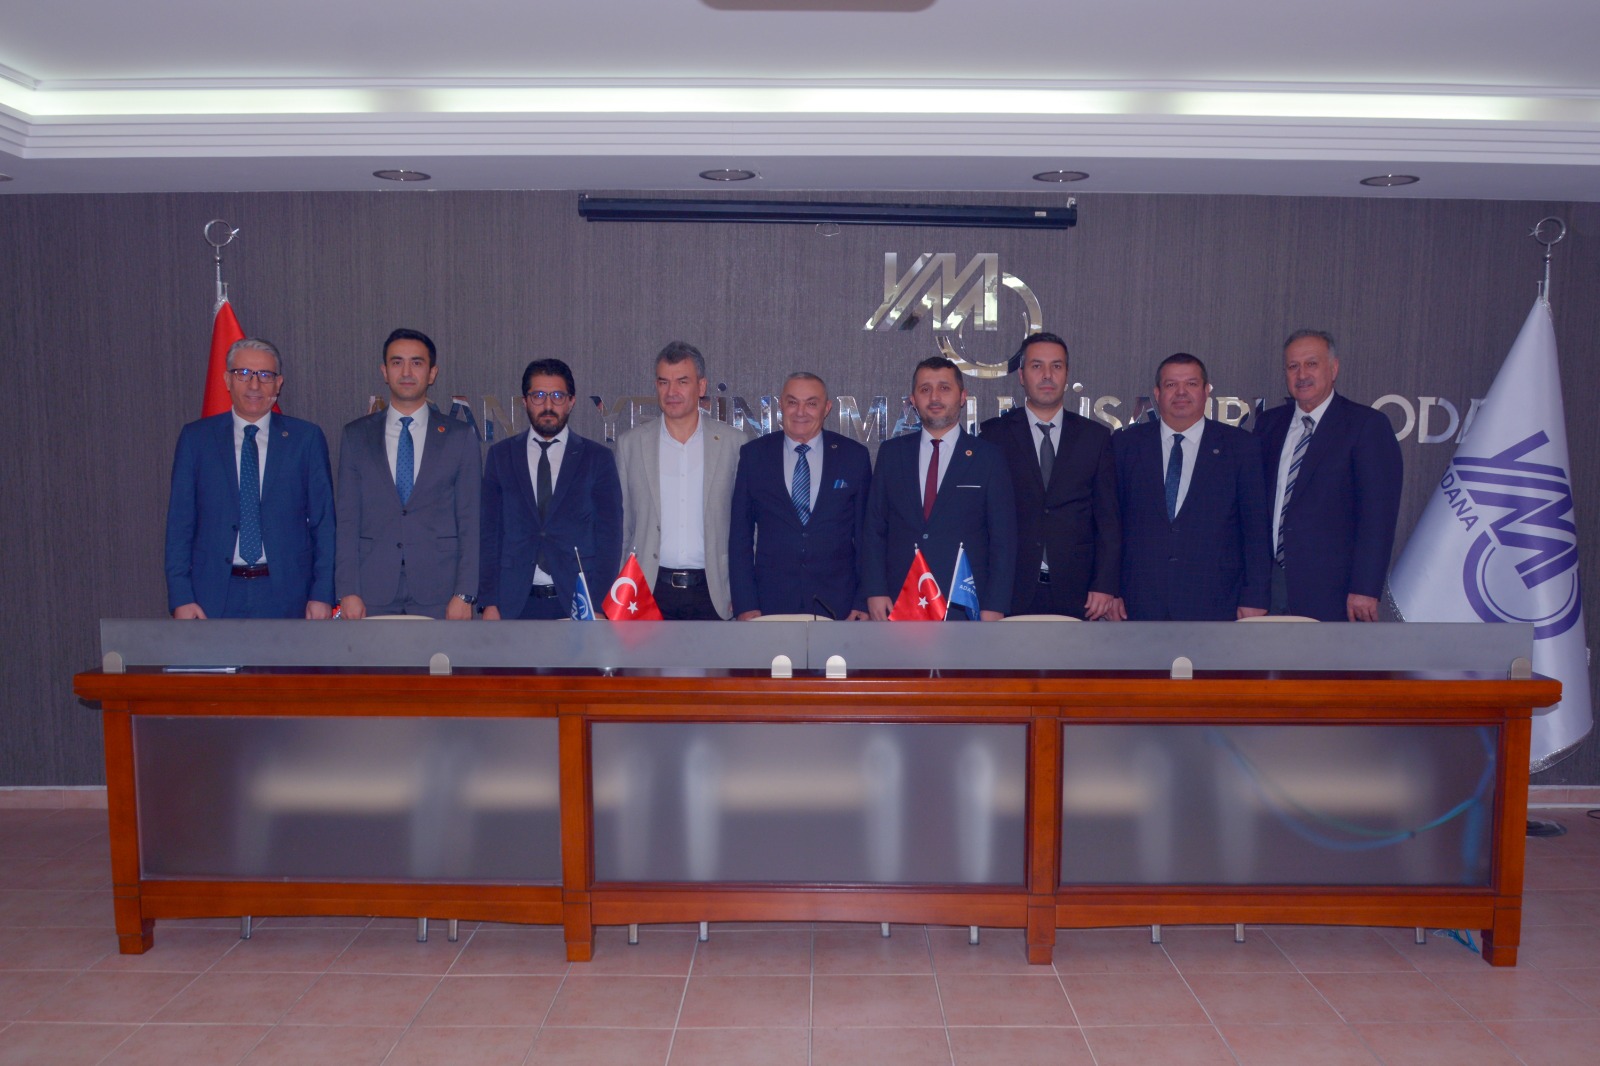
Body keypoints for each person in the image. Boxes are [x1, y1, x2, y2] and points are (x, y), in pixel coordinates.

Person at [165, 337, 334, 619]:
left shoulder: (305, 439)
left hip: (288, 593)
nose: (254, 385)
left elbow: (323, 522)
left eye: (265, 375)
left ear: (278, 383)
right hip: (213, 594)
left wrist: (322, 593)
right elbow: (180, 523)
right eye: (243, 373)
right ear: (227, 380)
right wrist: (181, 596)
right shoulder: (196, 440)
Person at [1110, 353, 1271, 620]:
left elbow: (1255, 530)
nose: (1181, 392)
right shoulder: (1125, 445)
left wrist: (1255, 595)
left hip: (1217, 602)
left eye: (1191, 384)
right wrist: (1111, 589)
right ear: (1157, 393)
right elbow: (1110, 524)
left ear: (1206, 391)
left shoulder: (1241, 447)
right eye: (1171, 384)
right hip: (1137, 601)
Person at [1256, 329, 1403, 622]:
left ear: (1333, 369)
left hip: (1334, 592)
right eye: (1293, 366)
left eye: (1311, 364)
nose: (1302, 375)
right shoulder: (1268, 425)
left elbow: (1378, 515)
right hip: (1269, 587)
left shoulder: (1366, 425)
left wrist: (1365, 588)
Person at [334, 329, 481, 619]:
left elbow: (470, 520)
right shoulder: (356, 436)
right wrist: (347, 590)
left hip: (441, 590)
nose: (406, 372)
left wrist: (465, 594)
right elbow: (348, 520)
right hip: (371, 589)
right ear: (384, 371)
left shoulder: (459, 436)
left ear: (432, 373)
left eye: (417, 363)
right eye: (397, 362)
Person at [979, 332, 1119, 619]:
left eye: (1056, 366)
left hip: (1079, 591)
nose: (1047, 375)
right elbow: (982, 521)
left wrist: (1104, 584)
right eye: (1036, 366)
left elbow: (1108, 520)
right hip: (1011, 590)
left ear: (1066, 374)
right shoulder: (994, 436)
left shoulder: (1094, 437)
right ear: (1021, 376)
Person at [863, 356, 1016, 621]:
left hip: (966, 603)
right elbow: (874, 528)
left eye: (944, 388)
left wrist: (995, 603)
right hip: (901, 600)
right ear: (913, 400)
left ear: (962, 397)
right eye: (925, 389)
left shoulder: (988, 457)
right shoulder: (891, 454)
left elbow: (1003, 538)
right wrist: (875, 590)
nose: (934, 397)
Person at [479, 359, 622, 620]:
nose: (548, 405)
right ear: (525, 401)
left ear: (571, 401)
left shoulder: (597, 458)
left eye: (557, 396)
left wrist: (599, 605)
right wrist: (489, 601)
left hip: (578, 600)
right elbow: (490, 533)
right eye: (538, 396)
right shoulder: (501, 456)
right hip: (513, 601)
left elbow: (609, 537)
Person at [729, 372, 872, 620]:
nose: (800, 412)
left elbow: (866, 536)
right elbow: (740, 537)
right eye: (792, 402)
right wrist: (745, 603)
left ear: (827, 408)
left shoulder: (853, 456)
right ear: (781, 406)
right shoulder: (754, 455)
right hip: (770, 603)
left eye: (811, 403)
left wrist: (863, 600)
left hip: (839, 603)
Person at [616, 341, 742, 619]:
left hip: (716, 593)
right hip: (648, 591)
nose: (671, 392)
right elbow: (622, 527)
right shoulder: (631, 445)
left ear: (701, 386)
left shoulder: (734, 444)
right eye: (664, 382)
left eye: (682, 382)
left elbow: (749, 529)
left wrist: (744, 591)